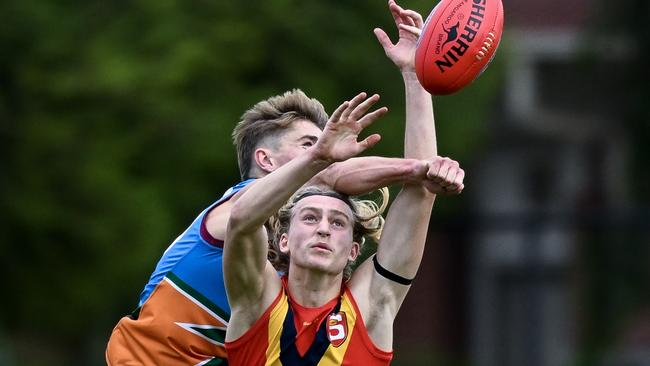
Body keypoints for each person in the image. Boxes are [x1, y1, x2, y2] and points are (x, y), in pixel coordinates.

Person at [105, 1, 433, 364]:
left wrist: (416, 80)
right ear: (266, 160)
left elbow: (410, 206)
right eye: (309, 144)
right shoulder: (240, 206)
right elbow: (328, 174)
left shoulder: (292, 261)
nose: (324, 154)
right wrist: (419, 168)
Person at [223, 2, 465, 364]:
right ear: (284, 240)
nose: (323, 229)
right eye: (309, 218)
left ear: (354, 250)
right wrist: (318, 157)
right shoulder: (257, 299)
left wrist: (416, 75)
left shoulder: (372, 307)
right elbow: (242, 221)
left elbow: (420, 195)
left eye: (337, 223)